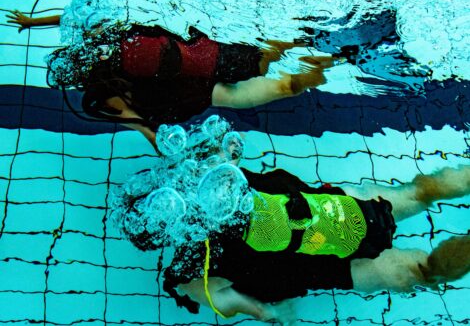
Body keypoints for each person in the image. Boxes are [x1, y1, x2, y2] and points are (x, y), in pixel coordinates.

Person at [109, 116, 470, 324]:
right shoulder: (217, 175)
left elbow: (229, 300)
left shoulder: (190, 268)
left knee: (422, 271)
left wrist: (269, 314)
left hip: (328, 267)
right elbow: (213, 142)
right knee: (421, 193)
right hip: (336, 208)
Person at [6, 9, 333, 148]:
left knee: (279, 80)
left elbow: (147, 131)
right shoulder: (109, 42)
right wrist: (32, 21)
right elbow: (73, 17)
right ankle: (310, 38)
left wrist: (172, 155)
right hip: (207, 53)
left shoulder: (103, 97)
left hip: (212, 91)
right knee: (265, 57)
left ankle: (324, 54)